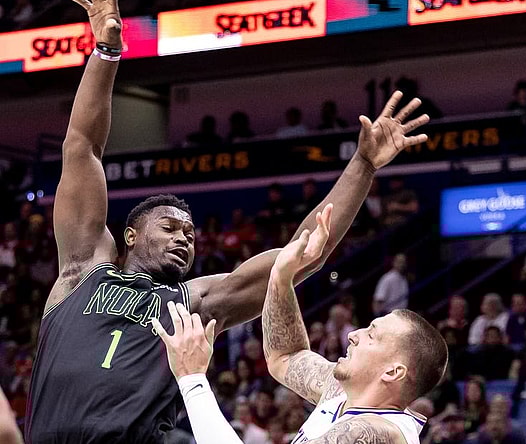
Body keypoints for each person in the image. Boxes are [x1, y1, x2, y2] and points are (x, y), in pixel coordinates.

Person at [24, 0, 432, 439]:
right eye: (169, 227)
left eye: (190, 233)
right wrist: (106, 50)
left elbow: (303, 254)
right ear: (131, 233)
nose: (184, 238)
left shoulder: (197, 302)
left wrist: (363, 166)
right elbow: (81, 148)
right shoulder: (82, 267)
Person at [153, 210, 449, 444]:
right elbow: (286, 356)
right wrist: (282, 275)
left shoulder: (375, 433)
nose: (354, 334)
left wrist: (192, 379)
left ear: (393, 372)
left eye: (371, 334)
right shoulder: (342, 395)